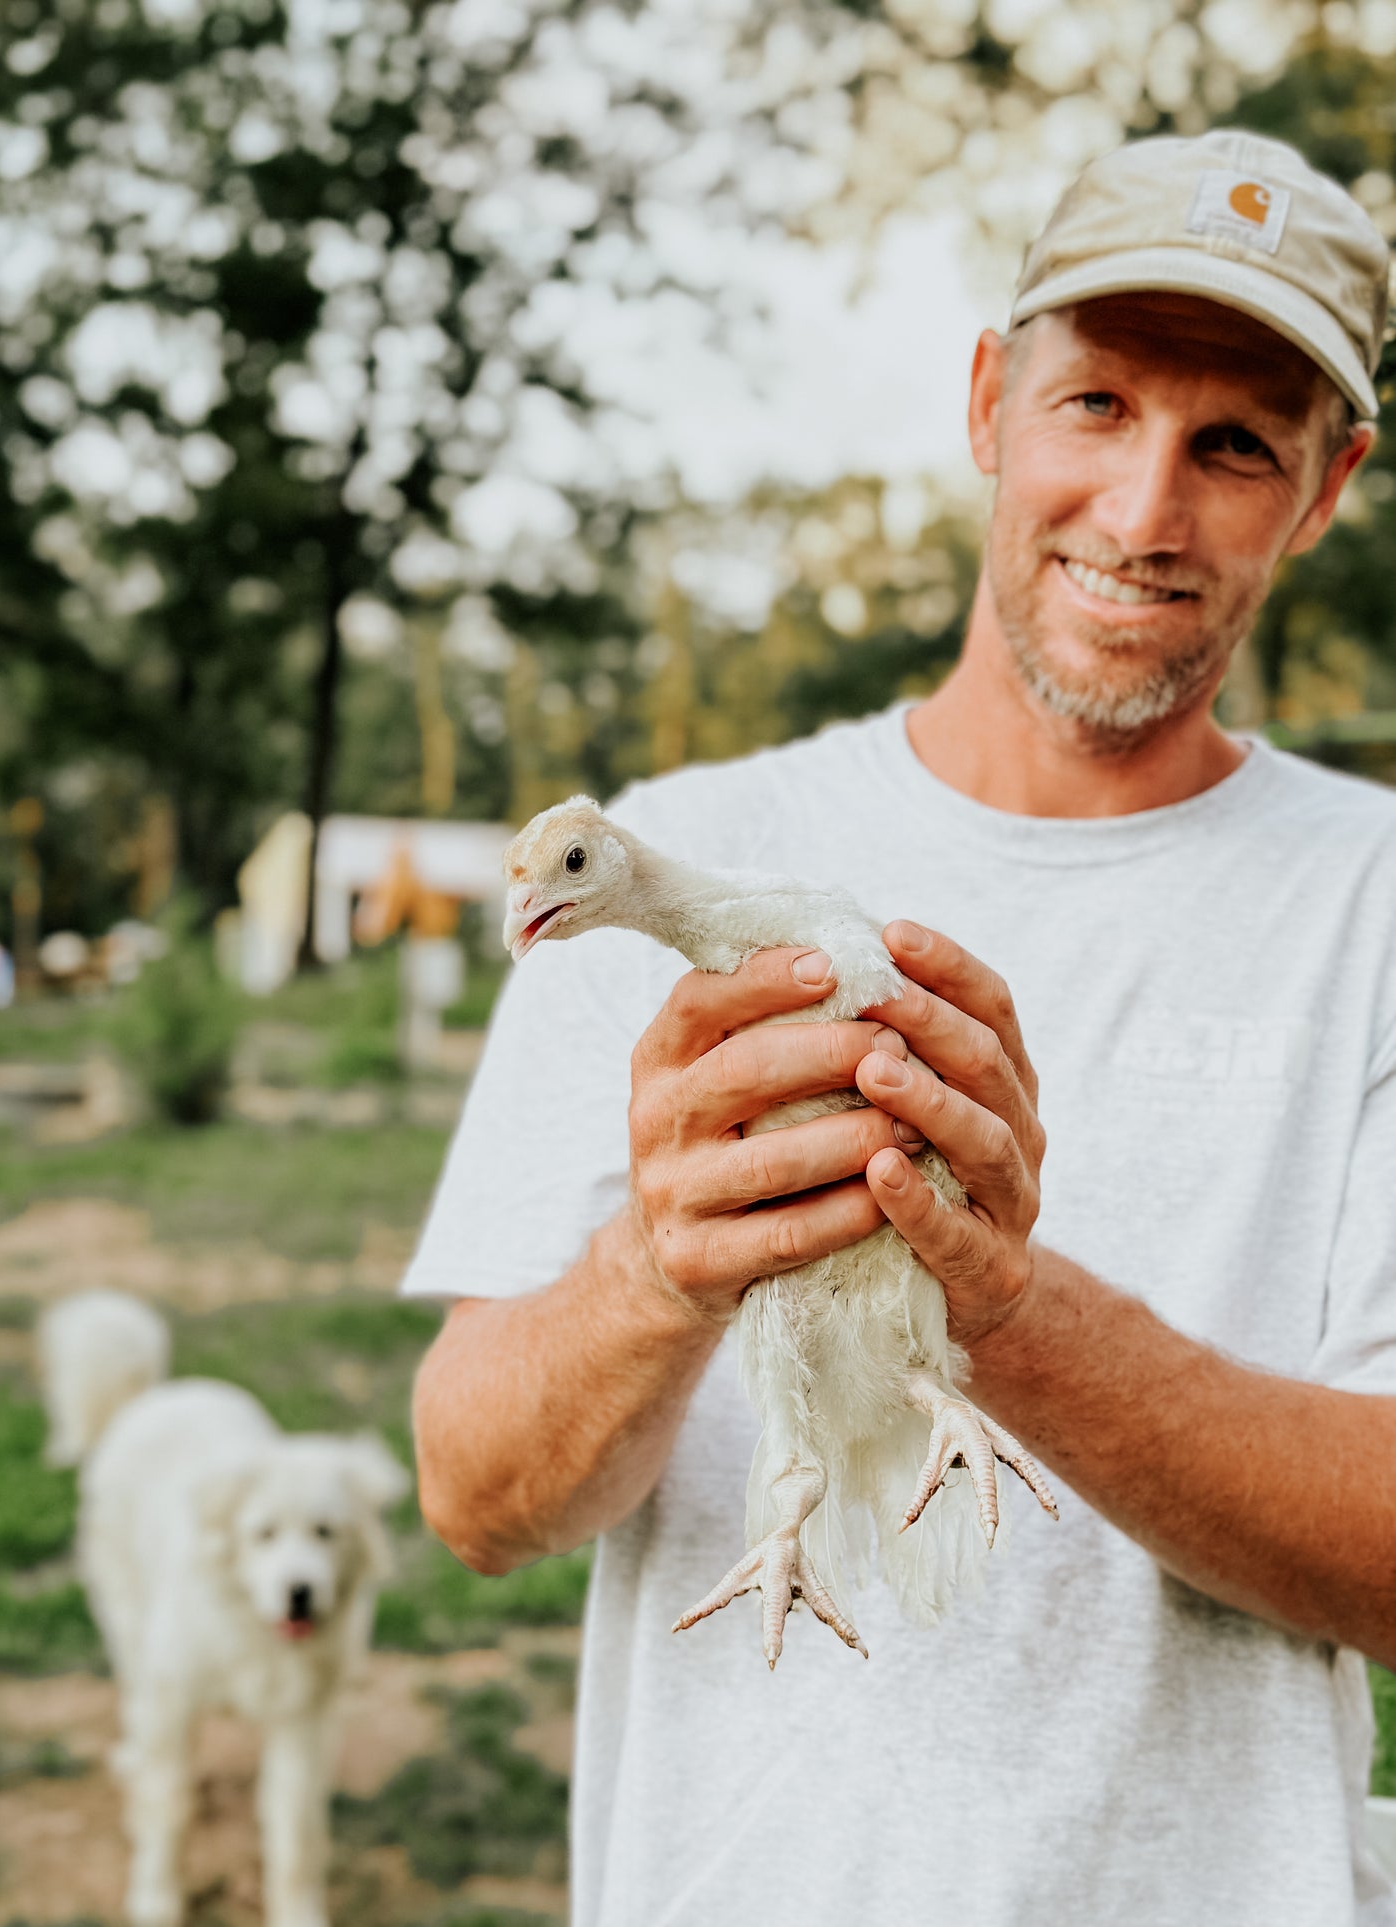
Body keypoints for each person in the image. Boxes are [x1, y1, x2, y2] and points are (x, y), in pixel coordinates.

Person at [403, 128, 1396, 1925]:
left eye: (1235, 442)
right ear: (985, 405)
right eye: (1094, 405)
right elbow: (476, 1494)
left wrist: (1004, 1308)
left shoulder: (1376, 906)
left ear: (1325, 491)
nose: (1144, 510)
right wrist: (657, 1269)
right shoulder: (663, 859)